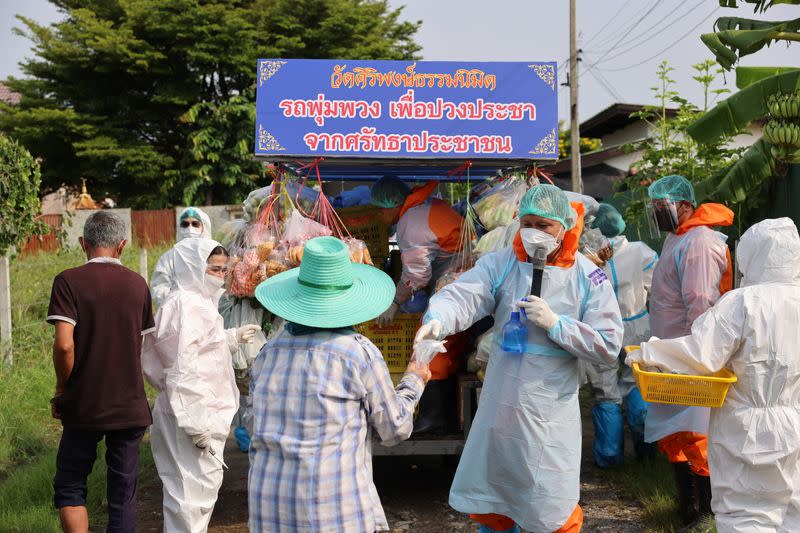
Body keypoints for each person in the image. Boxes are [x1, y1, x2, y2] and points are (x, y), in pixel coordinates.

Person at [415, 184, 623, 533]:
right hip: (503, 402)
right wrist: (438, 318)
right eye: (528, 223)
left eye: (544, 225)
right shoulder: (502, 263)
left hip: (550, 411)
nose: (534, 233)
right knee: (496, 498)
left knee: (551, 503)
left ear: (564, 225)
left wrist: (558, 325)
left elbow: (608, 344)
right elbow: (466, 295)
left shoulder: (588, 275)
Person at [626, 217, 800, 532]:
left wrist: (648, 353)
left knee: (745, 512)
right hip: (795, 421)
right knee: (792, 509)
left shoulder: (743, 302)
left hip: (747, 428)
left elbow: (700, 354)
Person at [246, 236, 430, 532]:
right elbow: (395, 430)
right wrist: (413, 381)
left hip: (269, 510)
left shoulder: (268, 352)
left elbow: (254, 424)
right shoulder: (358, 354)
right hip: (332, 513)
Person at [142, 238, 260, 533]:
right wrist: (195, 423)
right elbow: (181, 368)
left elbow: (201, 349)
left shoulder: (197, 301)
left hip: (202, 410)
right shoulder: (182, 305)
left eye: (223, 270)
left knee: (199, 495)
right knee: (188, 498)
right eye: (214, 269)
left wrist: (230, 338)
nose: (220, 276)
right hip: (191, 415)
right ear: (193, 267)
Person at [47, 211, 153, 533]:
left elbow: (64, 346)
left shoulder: (68, 281)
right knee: (123, 496)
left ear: (83, 243)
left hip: (84, 404)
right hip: (130, 406)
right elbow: (144, 348)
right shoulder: (138, 284)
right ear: (121, 246)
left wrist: (62, 389)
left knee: (70, 485)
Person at [645, 174, 734, 524]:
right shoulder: (677, 237)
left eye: (661, 207)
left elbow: (700, 302)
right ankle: (687, 508)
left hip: (691, 355)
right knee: (676, 434)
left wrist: (702, 353)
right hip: (675, 353)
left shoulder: (697, 241)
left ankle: (705, 514)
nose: (657, 214)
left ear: (684, 205)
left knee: (696, 434)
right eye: (654, 209)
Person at [371, 175, 466, 434]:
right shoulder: (421, 208)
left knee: (430, 341)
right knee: (448, 343)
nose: (378, 215)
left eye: (379, 209)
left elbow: (416, 275)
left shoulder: (410, 224)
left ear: (392, 205)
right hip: (457, 277)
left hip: (458, 279)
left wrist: (395, 303)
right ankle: (443, 415)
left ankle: (434, 418)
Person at [584, 203, 658, 467]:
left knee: (606, 392)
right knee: (639, 383)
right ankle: (647, 454)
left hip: (601, 330)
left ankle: (610, 457)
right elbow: (654, 289)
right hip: (638, 327)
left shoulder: (589, 258)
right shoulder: (643, 252)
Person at [150, 207, 213, 307]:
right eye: (185, 224)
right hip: (178, 313)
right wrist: (177, 301)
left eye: (195, 224)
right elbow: (159, 286)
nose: (190, 228)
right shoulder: (168, 258)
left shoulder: (213, 255)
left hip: (210, 311)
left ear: (203, 226)